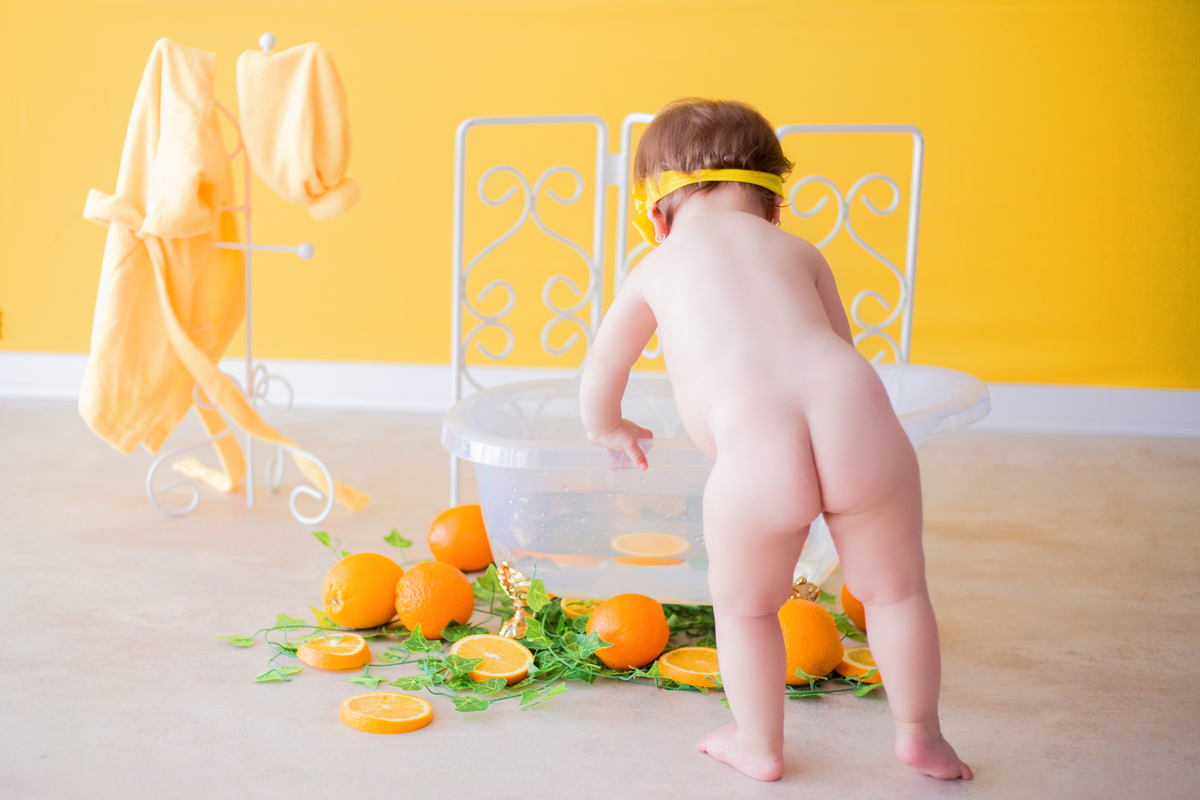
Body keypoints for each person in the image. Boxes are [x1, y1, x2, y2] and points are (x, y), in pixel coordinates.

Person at [579, 98, 972, 782]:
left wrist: (607, 426)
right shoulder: (800, 250)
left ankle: (758, 744)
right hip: (856, 414)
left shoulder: (655, 267)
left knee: (747, 607)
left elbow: (602, 370)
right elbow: (840, 345)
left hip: (754, 446)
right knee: (897, 593)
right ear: (772, 206)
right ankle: (921, 735)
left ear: (656, 215)